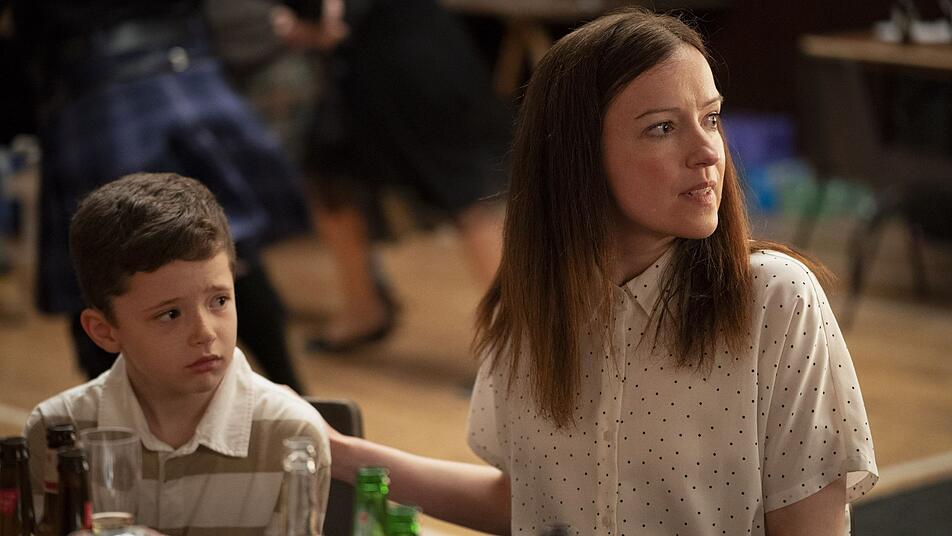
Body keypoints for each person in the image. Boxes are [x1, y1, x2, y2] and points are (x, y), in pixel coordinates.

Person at [326, 8, 877, 535]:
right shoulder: (532, 304)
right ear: (578, 154)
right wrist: (339, 452)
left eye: (711, 118)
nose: (708, 152)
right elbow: (528, 501)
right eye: (663, 128)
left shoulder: (775, 297)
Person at [4, 0, 309, 392]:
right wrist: (312, 13)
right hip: (189, 77)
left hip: (98, 90)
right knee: (227, 255)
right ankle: (301, 402)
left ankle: (118, 424)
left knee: (106, 275)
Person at [23, 173, 331, 534]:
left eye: (219, 301)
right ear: (104, 331)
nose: (205, 333)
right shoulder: (55, 433)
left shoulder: (293, 437)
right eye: (170, 314)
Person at [271, 0, 509, 352]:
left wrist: (309, 26)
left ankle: (519, 337)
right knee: (328, 176)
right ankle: (363, 309)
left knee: (466, 194)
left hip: (406, 59)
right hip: (375, 62)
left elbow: (332, 23)